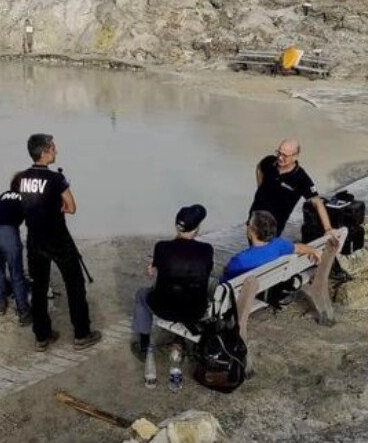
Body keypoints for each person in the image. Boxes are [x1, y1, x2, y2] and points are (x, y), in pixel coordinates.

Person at [15, 134, 101, 352]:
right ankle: (82, 334)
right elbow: (71, 207)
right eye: (53, 148)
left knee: (39, 288)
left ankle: (41, 336)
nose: (56, 151)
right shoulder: (55, 179)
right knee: (75, 286)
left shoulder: (21, 179)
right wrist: (57, 208)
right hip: (58, 239)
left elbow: (21, 206)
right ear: (44, 152)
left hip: (34, 239)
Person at [221, 211, 319, 341]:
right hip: (268, 284)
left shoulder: (240, 260)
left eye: (248, 224)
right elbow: (298, 248)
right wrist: (314, 250)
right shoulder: (279, 245)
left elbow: (223, 285)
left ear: (252, 230)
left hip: (244, 295)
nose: (246, 226)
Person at [132, 205, 213, 353]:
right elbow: (206, 271)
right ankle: (179, 338)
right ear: (197, 228)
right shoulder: (207, 249)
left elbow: (153, 271)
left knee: (141, 294)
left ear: (177, 227)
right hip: (195, 310)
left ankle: (144, 341)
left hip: (164, 310)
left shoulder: (162, 247)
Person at [248, 139, 338, 240]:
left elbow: (317, 201)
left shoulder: (301, 178)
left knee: (265, 252)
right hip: (253, 218)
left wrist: (328, 229)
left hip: (272, 227)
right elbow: (259, 167)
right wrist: (259, 188)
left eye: (285, 156)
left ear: (295, 156)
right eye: (279, 153)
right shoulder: (269, 161)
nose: (280, 158)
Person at [0, 175, 31, 326]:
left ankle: (0, 305)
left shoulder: (2, 196)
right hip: (7, 233)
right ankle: (24, 312)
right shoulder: (26, 198)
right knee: (16, 273)